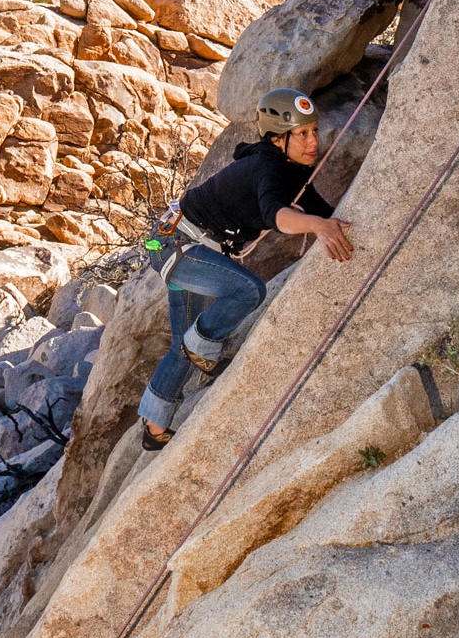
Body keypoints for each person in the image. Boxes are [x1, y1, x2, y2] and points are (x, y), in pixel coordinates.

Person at [137, 87, 354, 450]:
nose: (313, 141)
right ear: (276, 138)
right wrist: (315, 227)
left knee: (182, 345)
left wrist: (327, 222)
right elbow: (276, 215)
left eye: (314, 131)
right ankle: (203, 346)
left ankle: (154, 427)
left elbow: (323, 212)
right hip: (179, 247)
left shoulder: (291, 170)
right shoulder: (268, 166)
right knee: (248, 291)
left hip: (179, 244)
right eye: (302, 134)